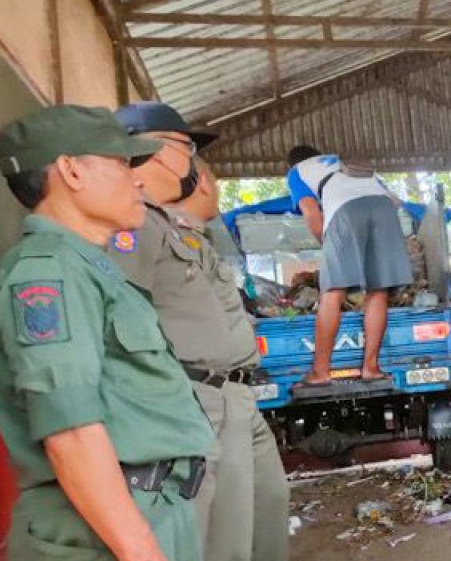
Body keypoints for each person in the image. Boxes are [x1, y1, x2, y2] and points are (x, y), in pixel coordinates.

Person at [0, 105, 213, 561]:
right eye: (120, 164)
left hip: (144, 510)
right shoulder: (47, 277)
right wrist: (142, 551)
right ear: (70, 170)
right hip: (103, 531)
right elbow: (70, 432)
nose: (138, 179)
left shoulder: (88, 269)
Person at [108, 102, 288, 561]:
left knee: (255, 525)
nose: (194, 166)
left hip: (231, 390)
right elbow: (118, 324)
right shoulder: (131, 228)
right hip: (194, 397)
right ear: (158, 151)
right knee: (221, 540)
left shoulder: (170, 225)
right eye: (188, 148)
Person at [284, 145, 412, 385]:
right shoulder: (341, 161)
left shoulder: (297, 171)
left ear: (291, 163)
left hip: (345, 211)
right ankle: (371, 368)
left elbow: (311, 212)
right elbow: (396, 202)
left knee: (333, 292)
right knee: (378, 290)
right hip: (383, 208)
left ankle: (321, 372)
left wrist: (328, 247)